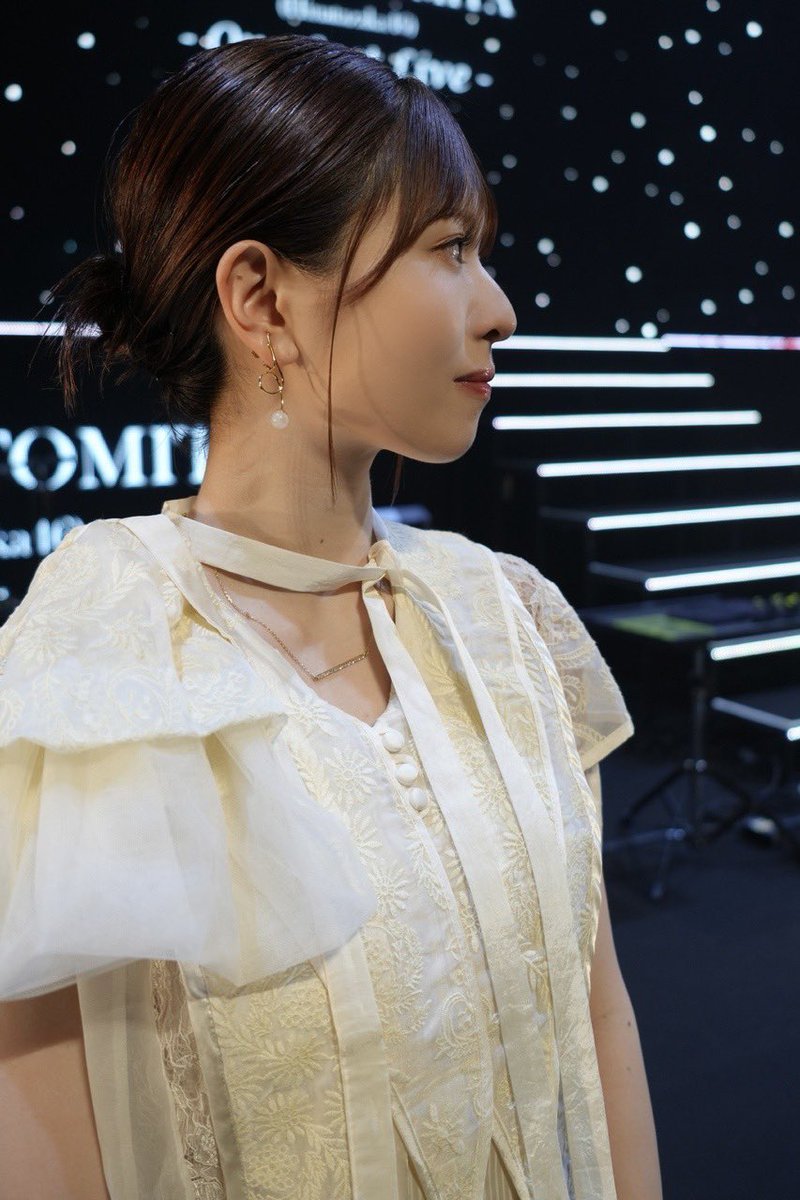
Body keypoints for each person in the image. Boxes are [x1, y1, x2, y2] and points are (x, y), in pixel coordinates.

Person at [0, 33, 662, 1200]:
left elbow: (593, 1013)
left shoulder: (505, 617)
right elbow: (49, 1133)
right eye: (449, 249)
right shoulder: (102, 661)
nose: (499, 309)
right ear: (261, 299)